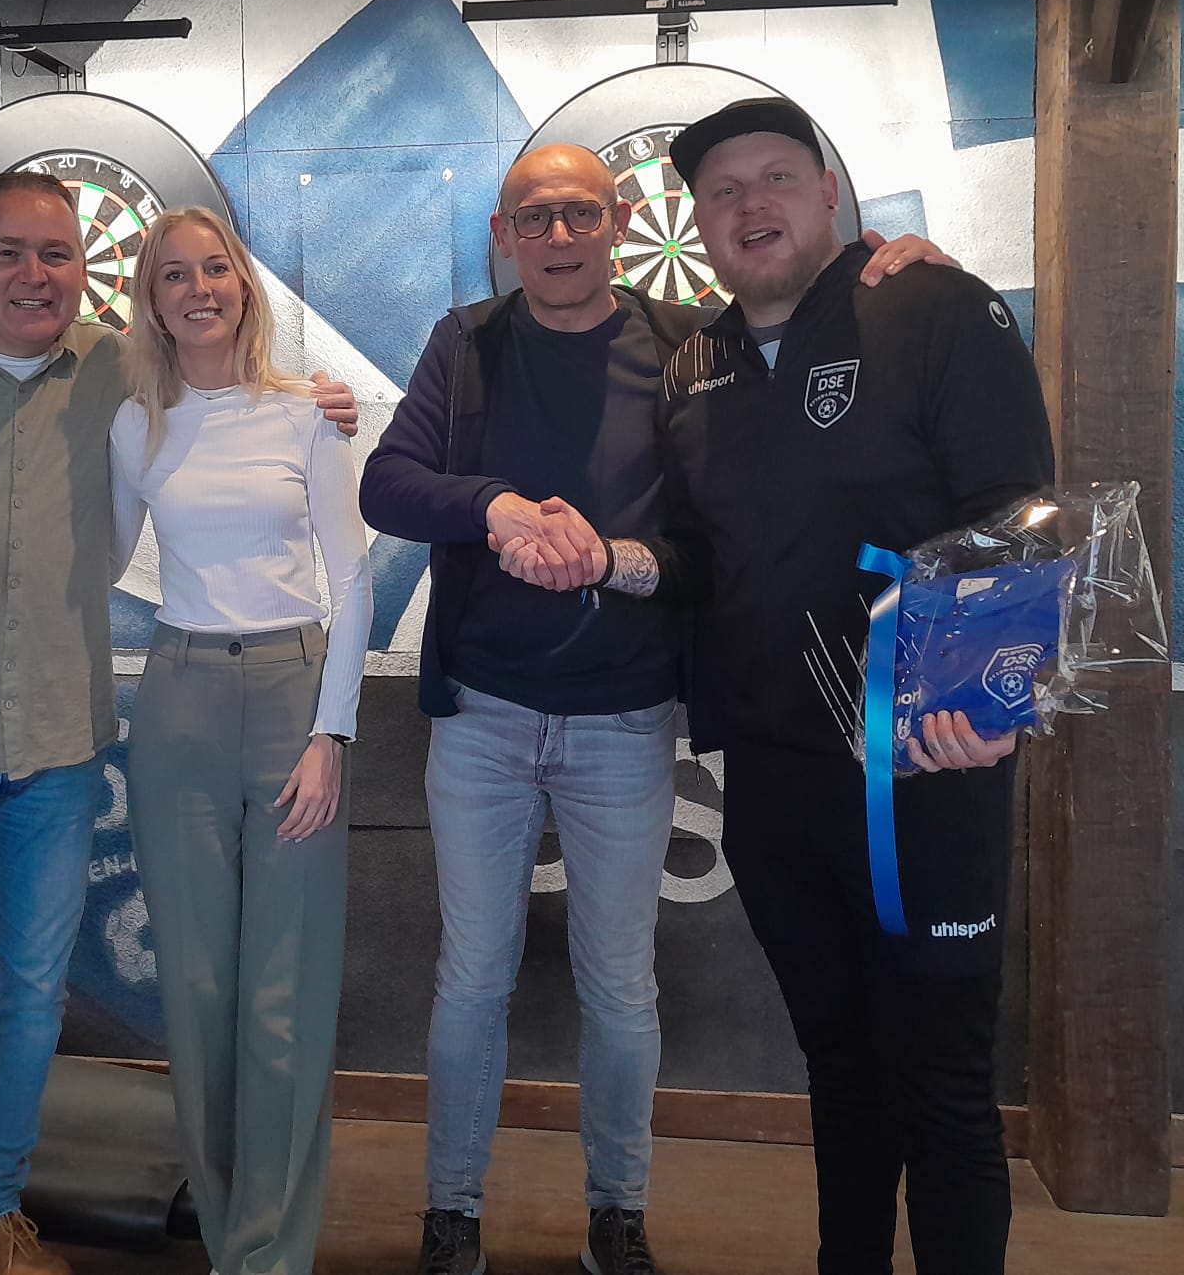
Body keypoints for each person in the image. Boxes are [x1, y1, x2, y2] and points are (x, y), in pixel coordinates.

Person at [359, 141, 954, 1275]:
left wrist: (902, 275)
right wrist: (493, 508)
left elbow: (719, 537)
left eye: (580, 214)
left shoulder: (691, 348)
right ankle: (452, 1213)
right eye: (535, 219)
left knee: (620, 984)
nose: (559, 238)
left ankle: (618, 1213)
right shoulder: (466, 344)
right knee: (470, 978)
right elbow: (389, 483)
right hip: (482, 716)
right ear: (502, 235)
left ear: (621, 221)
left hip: (627, 720)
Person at [507, 100, 1053, 1275]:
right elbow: (702, 558)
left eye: (777, 177)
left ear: (829, 194)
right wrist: (611, 561)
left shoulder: (932, 309)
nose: (751, 204)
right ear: (698, 223)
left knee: (941, 1082)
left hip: (922, 767)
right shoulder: (693, 364)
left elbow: (1014, 508)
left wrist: (986, 701)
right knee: (840, 1068)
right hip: (769, 775)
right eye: (722, 191)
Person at [0, 171, 356, 1275]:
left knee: (30, 999)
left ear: (86, 270)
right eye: (8, 252)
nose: (33, 275)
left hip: (60, 742)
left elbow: (221, 382)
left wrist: (322, 401)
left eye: (55, 254)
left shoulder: (116, 367)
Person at [109, 207, 373, 1275]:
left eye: (215, 269)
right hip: (177, 702)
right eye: (175, 274)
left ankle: (275, 1250)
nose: (199, 289)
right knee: (198, 992)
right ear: (152, 299)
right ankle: (228, 1239)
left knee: (283, 995)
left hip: (293, 703)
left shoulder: (307, 412)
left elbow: (351, 579)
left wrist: (331, 733)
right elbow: (98, 560)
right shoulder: (135, 426)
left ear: (244, 286)